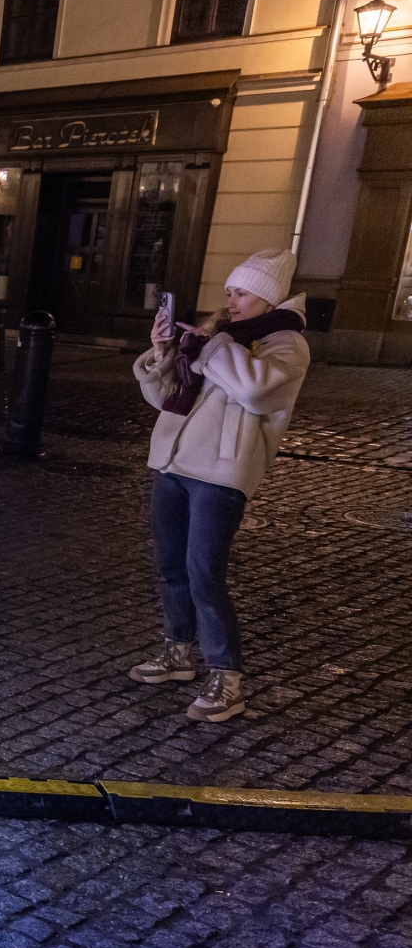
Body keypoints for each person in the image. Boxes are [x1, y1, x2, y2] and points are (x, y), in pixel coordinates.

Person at [131, 248, 310, 723]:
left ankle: (227, 679)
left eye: (242, 292)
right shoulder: (224, 337)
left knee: (204, 574)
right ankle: (177, 654)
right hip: (173, 462)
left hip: (222, 474)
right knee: (171, 566)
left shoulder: (285, 345)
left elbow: (254, 390)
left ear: (268, 298)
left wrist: (210, 345)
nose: (231, 300)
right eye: (229, 291)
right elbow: (165, 398)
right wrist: (166, 353)